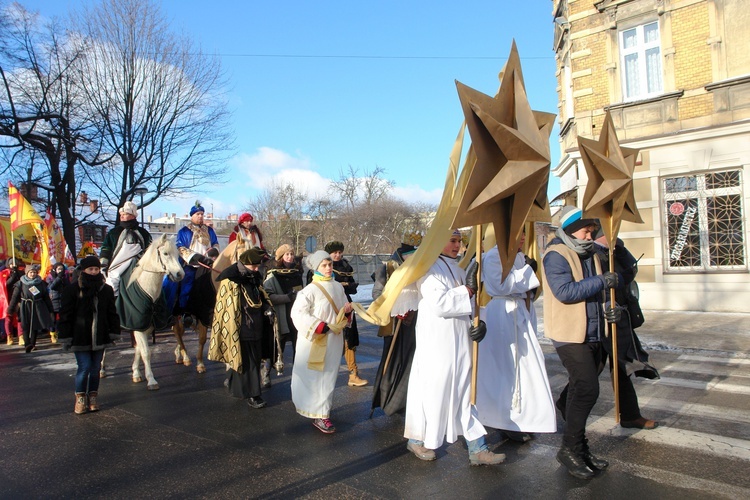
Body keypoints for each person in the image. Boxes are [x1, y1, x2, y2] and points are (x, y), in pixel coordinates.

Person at [403, 229, 504, 466]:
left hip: (461, 343)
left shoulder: (459, 269)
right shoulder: (427, 269)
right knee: (432, 393)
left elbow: (473, 305)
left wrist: (480, 324)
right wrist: (467, 290)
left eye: (460, 241)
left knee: (465, 393)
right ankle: (418, 439)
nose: (458, 246)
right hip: (436, 345)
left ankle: (478, 448)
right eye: (453, 241)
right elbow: (440, 304)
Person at [541, 205, 622, 479]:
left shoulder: (593, 254)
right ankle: (569, 449)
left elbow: (604, 289)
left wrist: (612, 309)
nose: (590, 236)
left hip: (596, 331)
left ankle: (579, 445)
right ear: (573, 229)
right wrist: (602, 282)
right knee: (587, 389)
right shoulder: (556, 254)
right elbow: (564, 292)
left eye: (592, 231)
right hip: (569, 334)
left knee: (580, 388)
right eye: (587, 230)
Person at [475, 234, 556, 443]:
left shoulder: (519, 256)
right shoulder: (493, 257)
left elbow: (526, 287)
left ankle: (524, 417)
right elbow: (503, 286)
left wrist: (528, 270)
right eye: (517, 235)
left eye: (523, 235)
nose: (522, 239)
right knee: (507, 368)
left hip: (519, 311)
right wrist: (528, 271)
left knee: (523, 368)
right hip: (503, 314)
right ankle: (504, 418)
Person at [584, 226, 660, 429]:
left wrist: (621, 249)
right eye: (611, 234)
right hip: (601, 320)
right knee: (590, 370)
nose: (615, 237)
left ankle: (630, 415)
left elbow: (629, 272)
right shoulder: (590, 254)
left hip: (620, 317)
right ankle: (566, 405)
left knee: (622, 368)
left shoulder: (614, 252)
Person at [291, 250, 353, 434]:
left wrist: (348, 312)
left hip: (333, 338)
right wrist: (319, 326)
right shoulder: (308, 290)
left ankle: (322, 412)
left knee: (328, 376)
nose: (328, 268)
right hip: (315, 340)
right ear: (316, 268)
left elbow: (342, 310)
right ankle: (320, 414)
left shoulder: (338, 286)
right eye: (324, 265)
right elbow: (298, 314)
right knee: (315, 377)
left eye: (330, 265)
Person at [211, 248, 275, 409]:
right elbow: (226, 306)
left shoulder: (254, 276)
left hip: (257, 324)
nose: (256, 268)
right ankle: (254, 395)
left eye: (257, 265)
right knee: (251, 362)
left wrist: (267, 306)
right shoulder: (230, 279)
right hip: (241, 327)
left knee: (250, 359)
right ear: (245, 263)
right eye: (253, 266)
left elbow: (260, 296)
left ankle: (234, 384)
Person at [58, 255, 120, 414]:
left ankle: (92, 396)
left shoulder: (106, 289)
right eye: (90, 269)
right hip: (80, 336)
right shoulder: (72, 289)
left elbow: (112, 313)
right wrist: (65, 336)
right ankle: (80, 397)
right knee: (84, 367)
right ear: (83, 270)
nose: (93, 272)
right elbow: (65, 314)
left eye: (96, 269)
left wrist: (114, 331)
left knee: (95, 368)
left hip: (100, 335)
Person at [371, 232, 421, 416]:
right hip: (394, 323)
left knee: (412, 362)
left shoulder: (420, 267)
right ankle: (386, 398)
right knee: (393, 361)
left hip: (416, 322)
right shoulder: (387, 267)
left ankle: (406, 400)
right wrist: (395, 310)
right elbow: (377, 295)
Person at [163, 201, 219, 335]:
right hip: (191, 264)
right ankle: (185, 312)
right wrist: (198, 258)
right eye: (198, 214)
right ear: (192, 216)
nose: (200, 217)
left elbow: (216, 243)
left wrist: (214, 251)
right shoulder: (184, 231)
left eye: (202, 214)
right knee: (186, 287)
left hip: (208, 265)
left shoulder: (209, 230)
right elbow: (181, 248)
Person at [324, 241, 367, 387]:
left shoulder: (346, 267)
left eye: (339, 252)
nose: (337, 255)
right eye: (334, 252)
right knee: (329, 339)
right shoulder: (321, 266)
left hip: (346, 305)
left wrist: (347, 285)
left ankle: (353, 373)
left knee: (350, 339)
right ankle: (323, 375)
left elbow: (353, 287)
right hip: (329, 306)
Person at [99, 200, 152, 297]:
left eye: (125, 214)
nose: (122, 216)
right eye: (121, 214)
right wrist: (103, 267)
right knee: (111, 287)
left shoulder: (144, 233)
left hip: (139, 267)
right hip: (116, 268)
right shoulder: (113, 233)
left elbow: (150, 251)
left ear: (133, 216)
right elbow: (105, 250)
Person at [264, 244, 304, 363]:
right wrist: (287, 297)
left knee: (298, 345)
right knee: (277, 346)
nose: (290, 257)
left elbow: (301, 290)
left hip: (295, 314)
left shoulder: (296, 273)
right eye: (287, 254)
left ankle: (298, 370)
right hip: (280, 314)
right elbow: (268, 296)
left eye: (291, 254)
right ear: (281, 256)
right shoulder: (272, 274)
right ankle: (266, 371)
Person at [7, 264, 55, 353]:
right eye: (31, 272)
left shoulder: (40, 283)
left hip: (37, 305)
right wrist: (10, 309)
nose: (33, 274)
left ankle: (32, 344)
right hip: (25, 306)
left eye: (34, 272)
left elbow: (46, 297)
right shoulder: (20, 283)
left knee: (35, 325)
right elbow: (15, 297)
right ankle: (27, 344)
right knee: (25, 325)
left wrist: (50, 309)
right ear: (27, 273)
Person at [46, 263, 71, 344]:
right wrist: (58, 278)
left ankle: (60, 333)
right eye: (58, 269)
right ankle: (52, 333)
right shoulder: (50, 277)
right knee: (52, 318)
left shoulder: (65, 276)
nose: (60, 271)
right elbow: (51, 287)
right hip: (54, 299)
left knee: (62, 318)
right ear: (55, 269)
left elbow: (68, 286)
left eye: (61, 269)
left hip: (63, 299)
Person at [4, 258, 26, 345]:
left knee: (19, 317)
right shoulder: (4, 273)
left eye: (15, 263)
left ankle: (21, 336)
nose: (13, 265)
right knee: (8, 318)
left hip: (19, 297)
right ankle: (9, 336)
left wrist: (17, 273)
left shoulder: (21, 272)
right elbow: (5, 284)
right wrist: (12, 276)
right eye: (11, 264)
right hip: (8, 298)